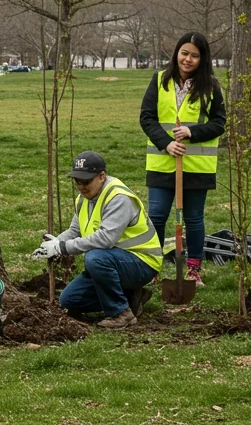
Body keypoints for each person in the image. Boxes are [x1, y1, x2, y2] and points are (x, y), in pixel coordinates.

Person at [32, 151, 162, 330]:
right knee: (69, 300)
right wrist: (55, 243)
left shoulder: (118, 198)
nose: (81, 186)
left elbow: (105, 239)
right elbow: (75, 230)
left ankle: (120, 313)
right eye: (77, 181)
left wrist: (62, 247)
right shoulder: (84, 198)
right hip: (113, 261)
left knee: (95, 258)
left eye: (86, 181)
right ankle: (130, 297)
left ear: (102, 176)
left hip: (142, 261)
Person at [139, 31, 226, 287]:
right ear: (176, 53)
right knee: (156, 216)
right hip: (162, 163)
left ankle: (193, 270)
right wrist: (166, 143)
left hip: (197, 165)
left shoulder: (211, 86)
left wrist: (192, 132)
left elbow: (219, 123)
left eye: (195, 56)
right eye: (184, 53)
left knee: (194, 218)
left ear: (203, 59)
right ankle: (152, 268)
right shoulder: (159, 81)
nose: (188, 59)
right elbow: (147, 118)